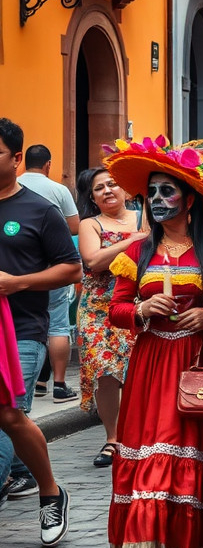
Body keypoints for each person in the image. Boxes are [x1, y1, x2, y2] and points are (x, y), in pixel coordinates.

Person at [104, 138, 203, 548]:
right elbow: (117, 310)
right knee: (154, 453)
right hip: (152, 366)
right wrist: (143, 311)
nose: (159, 201)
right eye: (152, 194)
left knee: (201, 453)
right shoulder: (139, 252)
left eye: (168, 192)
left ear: (189, 199)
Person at [0, 118, 78, 544]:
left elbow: (70, 268)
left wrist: (16, 283)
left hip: (21, 328)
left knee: (9, 414)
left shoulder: (38, 209)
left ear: (16, 158)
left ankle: (50, 492)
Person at [76, 167, 146, 466]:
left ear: (126, 190)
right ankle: (112, 439)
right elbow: (94, 260)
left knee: (136, 371)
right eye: (99, 188)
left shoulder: (145, 216)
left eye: (113, 184)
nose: (107, 191)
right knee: (105, 372)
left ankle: (138, 433)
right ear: (92, 198)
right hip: (97, 308)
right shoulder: (90, 224)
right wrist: (135, 240)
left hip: (137, 301)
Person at [18, 144, 80, 403]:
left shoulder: (14, 185)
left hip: (16, 271)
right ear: (48, 165)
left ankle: (39, 381)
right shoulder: (58, 189)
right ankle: (58, 383)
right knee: (57, 325)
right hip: (50, 268)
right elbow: (74, 227)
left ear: (20, 162)